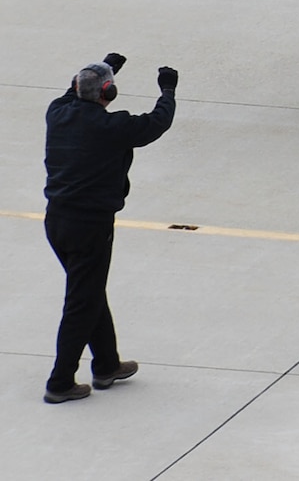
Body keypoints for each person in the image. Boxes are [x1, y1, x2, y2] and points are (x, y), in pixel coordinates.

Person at [42, 54, 178, 403]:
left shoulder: (57, 113)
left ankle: (106, 365)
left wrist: (104, 66)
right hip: (90, 226)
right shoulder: (112, 127)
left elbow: (74, 91)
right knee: (81, 302)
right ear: (109, 93)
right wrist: (168, 90)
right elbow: (157, 123)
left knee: (87, 292)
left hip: (56, 221)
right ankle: (60, 382)